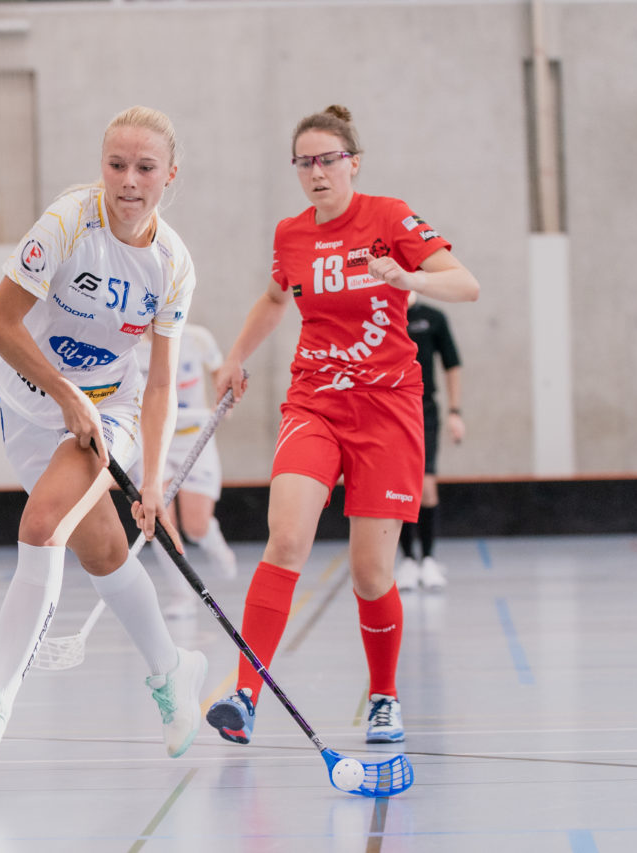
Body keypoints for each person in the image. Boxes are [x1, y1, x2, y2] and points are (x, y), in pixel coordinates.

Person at [0, 106, 208, 762]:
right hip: (30, 402)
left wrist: (152, 478)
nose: (129, 181)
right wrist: (63, 396)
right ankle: (174, 670)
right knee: (105, 549)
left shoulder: (173, 265)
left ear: (171, 175)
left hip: (110, 410)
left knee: (42, 520)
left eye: (145, 167)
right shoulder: (68, 222)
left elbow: (162, 384)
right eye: (117, 164)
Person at [205, 105, 479, 747]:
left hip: (387, 410)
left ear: (353, 162)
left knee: (370, 574)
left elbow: (465, 285)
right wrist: (235, 358)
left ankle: (383, 697)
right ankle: (244, 695)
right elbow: (277, 298)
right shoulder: (292, 234)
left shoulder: (389, 218)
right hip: (315, 404)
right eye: (305, 162)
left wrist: (406, 276)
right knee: (287, 540)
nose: (317, 172)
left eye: (329, 159)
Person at [133, 323, 238, 619]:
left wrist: (226, 401)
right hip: (151, 439)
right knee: (159, 521)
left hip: (194, 436)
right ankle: (182, 595)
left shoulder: (197, 339)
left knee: (195, 524)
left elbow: (221, 375)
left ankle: (213, 540)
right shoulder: (129, 346)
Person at [395, 290, 465, 591]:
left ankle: (429, 559)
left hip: (424, 412)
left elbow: (452, 364)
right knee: (398, 489)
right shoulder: (381, 316)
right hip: (390, 412)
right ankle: (408, 559)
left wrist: (454, 411)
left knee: (426, 486)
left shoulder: (433, 318)